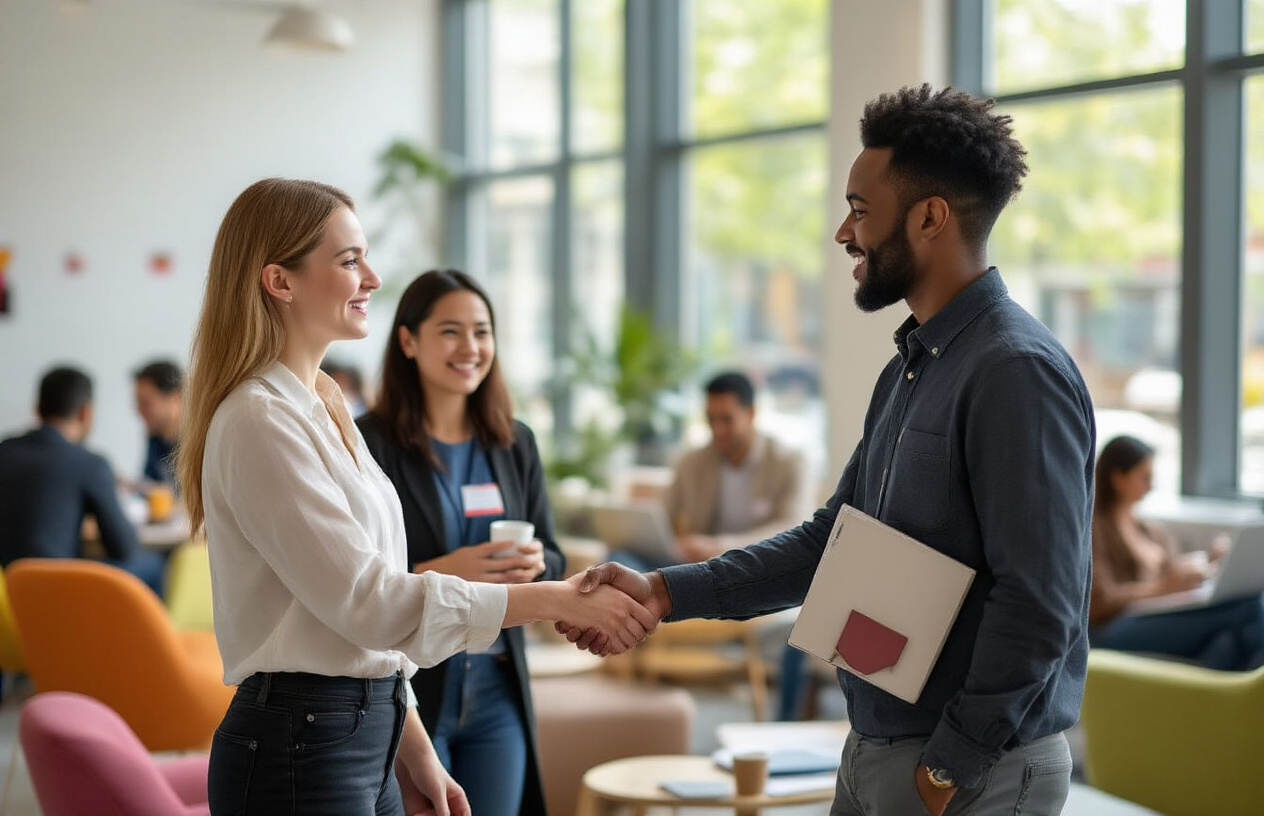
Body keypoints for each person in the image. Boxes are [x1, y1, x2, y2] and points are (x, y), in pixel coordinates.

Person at [563, 85, 1096, 816]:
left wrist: (951, 766)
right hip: (880, 744)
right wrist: (663, 592)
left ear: (930, 217)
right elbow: (832, 543)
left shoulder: (1015, 371)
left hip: (967, 768)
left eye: (860, 209)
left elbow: (1042, 600)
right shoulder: (913, 366)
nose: (845, 234)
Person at [176, 178, 655, 816]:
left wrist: (413, 748)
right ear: (279, 281)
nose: (372, 278)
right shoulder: (259, 419)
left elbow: (357, 629)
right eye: (349, 261)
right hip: (302, 743)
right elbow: (369, 603)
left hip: (364, 730)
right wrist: (549, 601)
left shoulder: (324, 403)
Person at [356, 269, 564, 816]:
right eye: (450, 331)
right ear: (408, 340)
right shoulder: (369, 442)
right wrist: (445, 569)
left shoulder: (515, 442)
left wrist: (539, 563)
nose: (470, 348)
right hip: (418, 692)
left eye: (482, 331)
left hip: (498, 688)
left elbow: (554, 552)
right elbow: (354, 579)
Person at [1089, 435, 1264, 670]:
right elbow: (1100, 603)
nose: (1151, 486)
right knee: (1250, 608)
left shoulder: (1148, 529)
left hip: (1159, 611)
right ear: (1118, 478)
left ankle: (1212, 701)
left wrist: (1210, 564)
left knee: (1227, 640)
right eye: (1144, 478)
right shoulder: (1094, 530)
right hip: (1115, 626)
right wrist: (1161, 588)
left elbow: (1172, 571)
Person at [0, 366, 167, 596]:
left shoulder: (4, 451)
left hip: (12, 592)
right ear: (85, 413)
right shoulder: (90, 463)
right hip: (62, 591)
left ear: (37, 408)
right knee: (155, 565)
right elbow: (124, 547)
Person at [665, 371, 811, 565]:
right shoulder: (691, 462)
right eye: (711, 419)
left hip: (759, 569)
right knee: (623, 562)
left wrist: (719, 546)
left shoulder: (788, 463)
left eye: (726, 419)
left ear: (751, 414)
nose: (717, 430)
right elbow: (663, 516)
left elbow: (792, 528)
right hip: (700, 571)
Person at [133, 359, 184, 489]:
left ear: (176, 398)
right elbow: (150, 486)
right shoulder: (155, 437)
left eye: (146, 403)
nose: (139, 411)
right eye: (138, 403)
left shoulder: (200, 444)